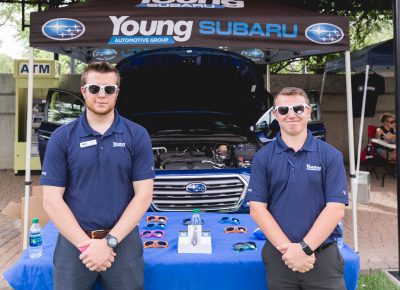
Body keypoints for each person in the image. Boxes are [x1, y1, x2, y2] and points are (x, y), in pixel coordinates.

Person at [41, 62, 155, 290]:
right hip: (74, 243)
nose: (101, 95)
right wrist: (87, 246)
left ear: (117, 93)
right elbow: (51, 200)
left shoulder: (137, 135)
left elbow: (144, 196)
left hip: (123, 242)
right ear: (83, 91)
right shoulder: (61, 137)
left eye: (109, 89)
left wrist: (109, 242)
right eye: (94, 88)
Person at [246, 87, 348, 290]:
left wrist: (304, 249)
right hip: (280, 257)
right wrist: (290, 251)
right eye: (283, 110)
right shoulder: (263, 157)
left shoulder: (331, 155)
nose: (291, 114)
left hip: (323, 257)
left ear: (309, 111)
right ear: (275, 115)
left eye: (298, 108)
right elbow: (257, 208)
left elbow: (336, 208)